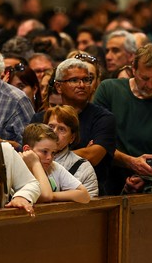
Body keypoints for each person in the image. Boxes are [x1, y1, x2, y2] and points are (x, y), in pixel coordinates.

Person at [93, 44, 152, 195]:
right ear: (133, 69)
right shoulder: (109, 90)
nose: (150, 85)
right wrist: (130, 161)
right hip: (100, 180)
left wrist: (150, 180)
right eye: (145, 78)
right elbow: (93, 143)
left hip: (139, 187)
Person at [31, 57, 116, 189]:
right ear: (59, 86)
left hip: (90, 191)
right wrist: (80, 152)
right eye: (74, 80)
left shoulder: (103, 118)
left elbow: (93, 156)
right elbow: (30, 155)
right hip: (43, 189)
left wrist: (46, 154)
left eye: (86, 80)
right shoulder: (40, 119)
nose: (82, 85)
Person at [21, 124, 90, 203]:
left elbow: (85, 195)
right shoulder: (16, 168)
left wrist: (52, 195)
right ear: (27, 150)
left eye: (53, 152)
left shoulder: (54, 167)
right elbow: (46, 196)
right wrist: (35, 163)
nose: (50, 157)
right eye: (44, 151)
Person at [42, 106, 98, 196]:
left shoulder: (84, 169)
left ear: (72, 138)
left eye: (61, 129)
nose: (54, 132)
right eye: (50, 127)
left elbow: (89, 208)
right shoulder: (30, 159)